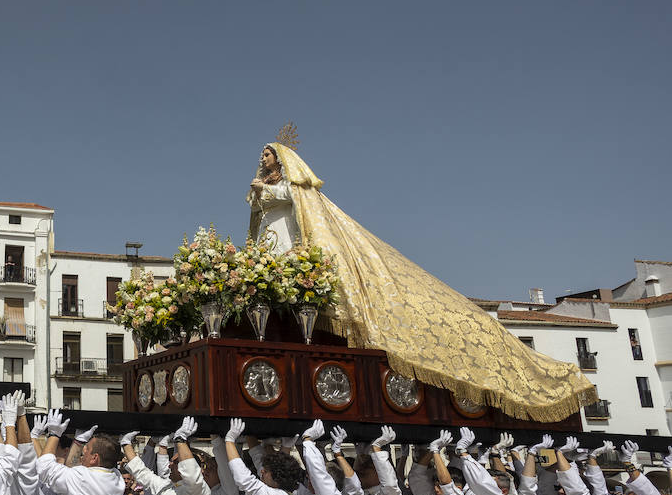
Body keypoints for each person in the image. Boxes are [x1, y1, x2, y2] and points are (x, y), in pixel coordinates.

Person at [242, 141, 592, 424]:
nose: (263, 157)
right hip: (273, 239)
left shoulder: (296, 186)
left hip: (292, 238)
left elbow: (291, 198)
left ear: (284, 159)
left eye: (269, 153)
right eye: (263, 154)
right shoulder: (265, 185)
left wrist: (265, 190)